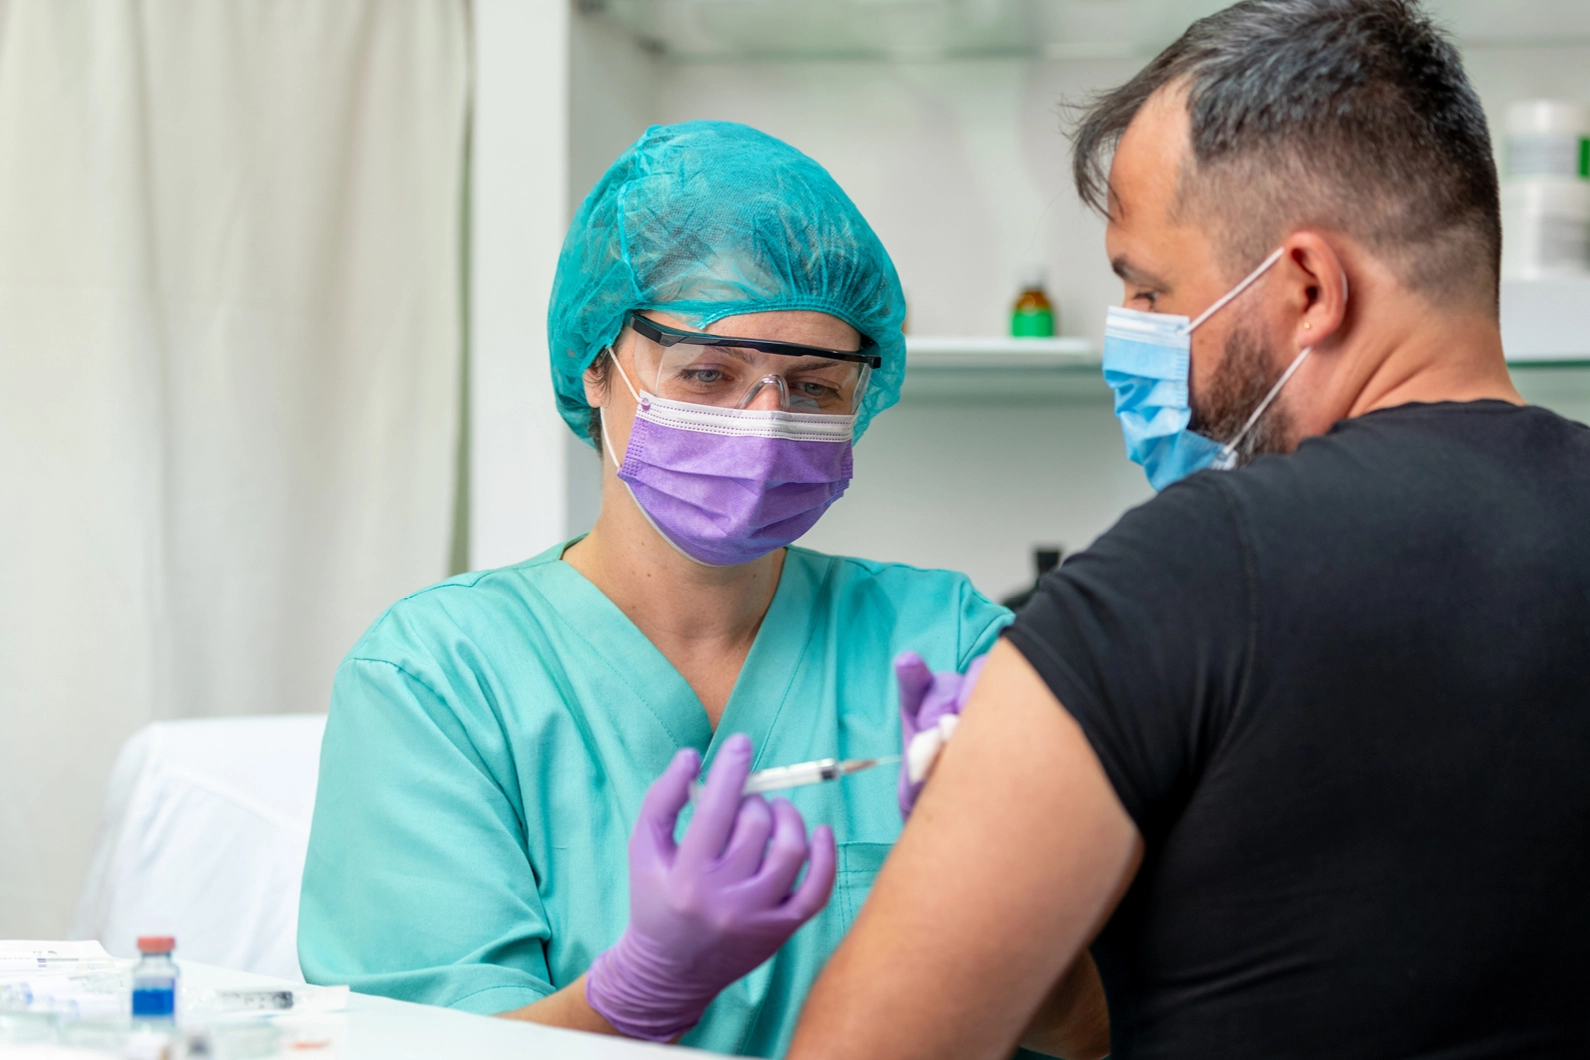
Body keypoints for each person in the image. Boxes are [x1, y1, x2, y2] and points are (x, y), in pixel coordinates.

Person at [787, 1, 1590, 1058]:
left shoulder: (1176, 584)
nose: (1141, 339)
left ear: (1308, 286)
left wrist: (981, 837)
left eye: (1151, 291)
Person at [297, 121, 1010, 1056]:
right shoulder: (439, 680)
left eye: (814, 387)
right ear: (597, 365)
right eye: (710, 373)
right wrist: (637, 995)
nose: (765, 425)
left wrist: (990, 905)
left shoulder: (946, 643)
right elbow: (409, 1047)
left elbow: (1110, 1023)